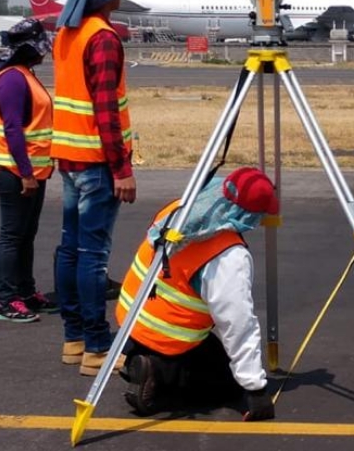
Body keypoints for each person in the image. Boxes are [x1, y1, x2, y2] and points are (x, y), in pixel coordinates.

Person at [116, 167, 279, 422]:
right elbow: (237, 323)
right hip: (166, 333)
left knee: (214, 354)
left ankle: (137, 356)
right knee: (226, 385)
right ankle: (158, 372)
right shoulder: (227, 255)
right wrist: (255, 388)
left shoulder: (180, 209)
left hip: (133, 317)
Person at [51, 0, 138, 376]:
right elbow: (105, 109)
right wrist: (122, 168)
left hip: (67, 157)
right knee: (93, 256)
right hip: (95, 162)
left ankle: (75, 339)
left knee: (70, 249)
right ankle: (98, 347)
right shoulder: (102, 38)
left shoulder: (67, 33)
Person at [0, 18, 58, 323]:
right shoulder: (13, 79)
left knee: (26, 235)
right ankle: (7, 300)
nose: (44, 53)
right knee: (12, 236)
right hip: (16, 172)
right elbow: (13, 128)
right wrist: (26, 173)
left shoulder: (24, 75)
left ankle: (26, 292)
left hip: (32, 172)